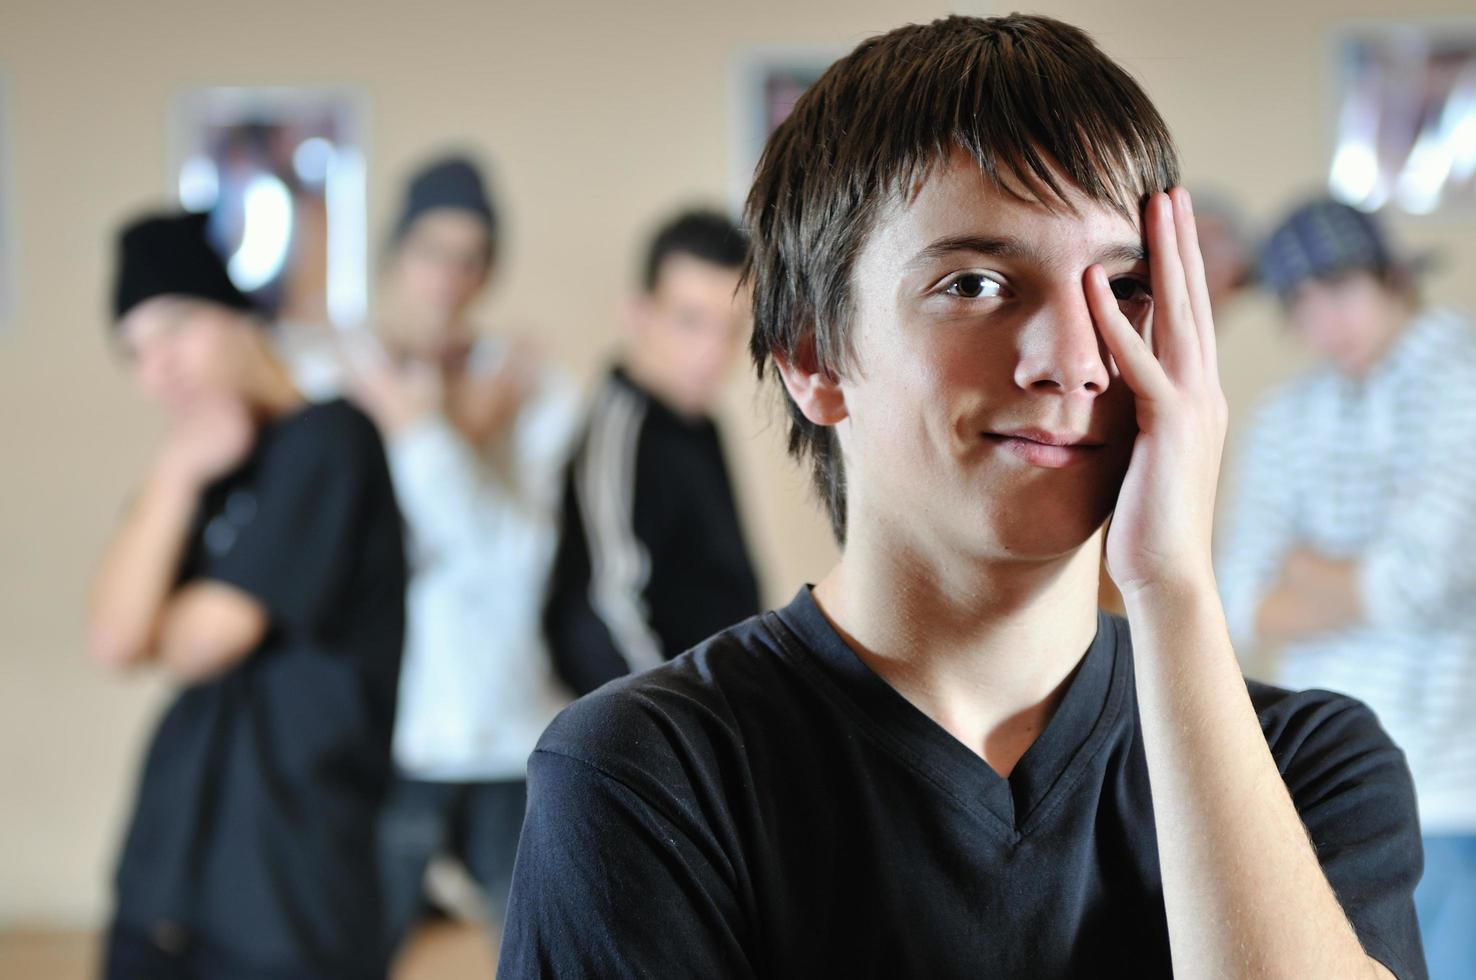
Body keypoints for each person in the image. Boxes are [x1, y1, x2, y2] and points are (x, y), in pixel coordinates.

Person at [500, 15, 1425, 979]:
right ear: (815, 355)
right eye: (977, 283)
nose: (1074, 360)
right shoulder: (651, 774)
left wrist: (1173, 587)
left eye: (1125, 287)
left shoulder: (1312, 765)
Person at [88, 211, 405, 979]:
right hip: (162, 884)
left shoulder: (331, 440)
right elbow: (114, 639)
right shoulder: (195, 472)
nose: (157, 368)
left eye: (174, 330)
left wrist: (172, 618)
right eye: (134, 352)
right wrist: (176, 473)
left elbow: (207, 637)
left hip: (287, 898)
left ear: (235, 314)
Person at [1218, 197, 1473, 978]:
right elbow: (1237, 595)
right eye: (1302, 303)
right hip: (1326, 786)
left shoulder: (1462, 379)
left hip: (1453, 782)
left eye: (1341, 289)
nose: (1326, 319)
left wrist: (1303, 568)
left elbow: (1420, 578)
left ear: (1392, 278)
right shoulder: (1288, 414)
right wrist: (1350, 579)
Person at [337, 155, 582, 953]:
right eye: (431, 250)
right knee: (348, 954)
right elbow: (365, 555)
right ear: (396, 253)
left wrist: (421, 434)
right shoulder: (340, 383)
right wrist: (465, 435)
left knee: (543, 955)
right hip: (392, 729)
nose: (449, 275)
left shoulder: (537, 388)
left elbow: (516, 559)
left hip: (511, 724)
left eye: (470, 255)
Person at [542, 208, 760, 696]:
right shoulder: (619, 432)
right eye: (691, 322)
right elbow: (603, 610)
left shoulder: (700, 421)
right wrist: (682, 739)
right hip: (671, 746)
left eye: (730, 329)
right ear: (639, 313)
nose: (713, 352)